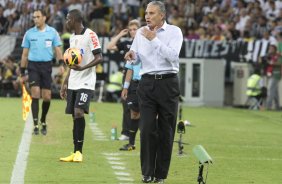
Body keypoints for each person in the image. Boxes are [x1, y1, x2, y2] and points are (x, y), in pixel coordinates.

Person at [124, 1, 183, 183]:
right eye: (146, 13)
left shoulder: (175, 32)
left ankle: (160, 175)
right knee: (147, 128)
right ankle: (147, 172)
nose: (147, 16)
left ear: (162, 15)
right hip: (147, 83)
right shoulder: (141, 33)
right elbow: (135, 57)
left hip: (168, 84)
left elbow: (173, 56)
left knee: (167, 131)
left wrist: (153, 39)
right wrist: (131, 57)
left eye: (151, 13)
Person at [59, 9, 103, 162]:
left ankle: (80, 152)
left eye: (68, 19)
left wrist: (83, 68)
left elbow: (99, 57)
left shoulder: (90, 35)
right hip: (73, 81)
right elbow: (72, 64)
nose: (66, 22)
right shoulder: (72, 38)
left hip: (86, 81)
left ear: (75, 19)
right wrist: (65, 82)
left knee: (79, 112)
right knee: (74, 116)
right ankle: (75, 151)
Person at [20, 9, 64, 135]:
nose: (35, 19)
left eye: (38, 17)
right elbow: (24, 55)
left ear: (44, 17)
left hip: (47, 66)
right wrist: (22, 73)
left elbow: (57, 50)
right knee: (35, 93)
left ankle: (43, 120)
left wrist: (61, 64)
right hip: (33, 66)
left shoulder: (52, 32)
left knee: (47, 97)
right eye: (34, 17)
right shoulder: (29, 34)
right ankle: (35, 125)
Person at [107, 19, 140, 141]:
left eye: (135, 29)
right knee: (126, 105)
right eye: (130, 30)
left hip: (140, 77)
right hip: (127, 76)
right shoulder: (126, 43)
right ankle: (126, 133)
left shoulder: (144, 43)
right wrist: (120, 35)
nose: (132, 31)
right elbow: (109, 47)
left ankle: (142, 132)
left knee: (142, 106)